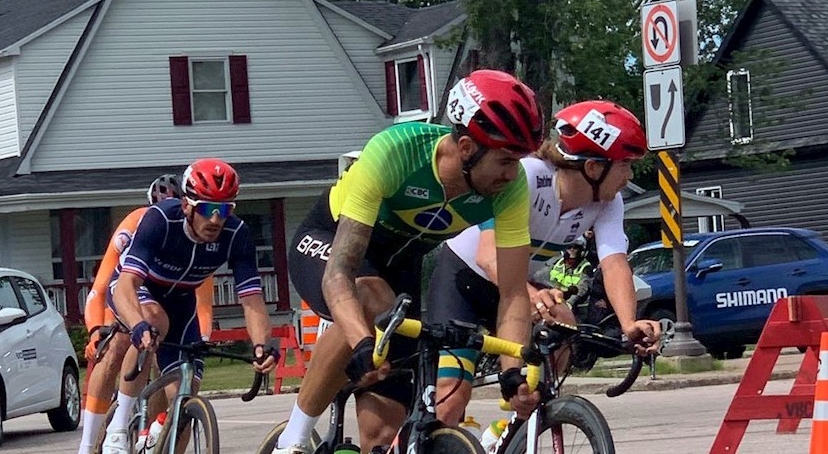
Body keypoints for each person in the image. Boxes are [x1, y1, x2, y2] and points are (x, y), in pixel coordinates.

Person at [274, 70, 545, 454]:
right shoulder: (397, 152)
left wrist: (512, 371)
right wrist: (361, 342)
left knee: (383, 433)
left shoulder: (509, 187)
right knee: (371, 298)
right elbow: (340, 275)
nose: (513, 173)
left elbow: (514, 293)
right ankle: (294, 440)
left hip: (399, 272)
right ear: (467, 147)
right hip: (330, 243)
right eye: (505, 160)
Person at [425, 99, 662, 426]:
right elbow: (487, 255)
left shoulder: (607, 202)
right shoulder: (529, 177)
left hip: (515, 287)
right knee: (450, 402)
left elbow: (614, 263)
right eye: (625, 165)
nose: (630, 175)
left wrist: (628, 324)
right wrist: (532, 294)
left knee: (562, 327)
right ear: (593, 167)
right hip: (466, 279)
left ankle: (514, 430)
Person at [101, 159, 279, 454]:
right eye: (208, 209)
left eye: (225, 210)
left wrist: (261, 345)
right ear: (187, 205)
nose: (216, 220)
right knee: (155, 320)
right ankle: (118, 428)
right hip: (137, 289)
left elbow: (252, 301)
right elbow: (126, 285)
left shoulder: (236, 235)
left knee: (186, 394)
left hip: (181, 301)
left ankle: (162, 433)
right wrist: (138, 326)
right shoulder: (160, 220)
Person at [77, 174, 215, 454]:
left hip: (170, 306)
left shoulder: (196, 238)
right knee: (118, 345)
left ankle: (157, 428)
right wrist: (94, 331)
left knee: (181, 375)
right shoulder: (135, 225)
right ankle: (92, 441)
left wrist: (201, 339)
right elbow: (101, 289)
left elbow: (202, 307)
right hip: (127, 296)